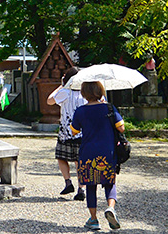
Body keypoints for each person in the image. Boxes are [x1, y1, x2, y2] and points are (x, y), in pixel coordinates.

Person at [70, 81, 125, 231]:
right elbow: (121, 128)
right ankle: (111, 208)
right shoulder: (108, 108)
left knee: (90, 186)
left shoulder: (80, 111)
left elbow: (74, 131)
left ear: (84, 93)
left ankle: (94, 219)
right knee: (109, 182)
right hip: (107, 152)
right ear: (100, 91)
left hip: (87, 152)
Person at [46, 66, 86, 200]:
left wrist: (60, 86)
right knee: (80, 162)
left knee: (61, 157)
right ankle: (81, 189)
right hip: (82, 133)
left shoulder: (65, 92)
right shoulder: (86, 93)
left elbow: (49, 100)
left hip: (66, 133)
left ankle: (68, 182)